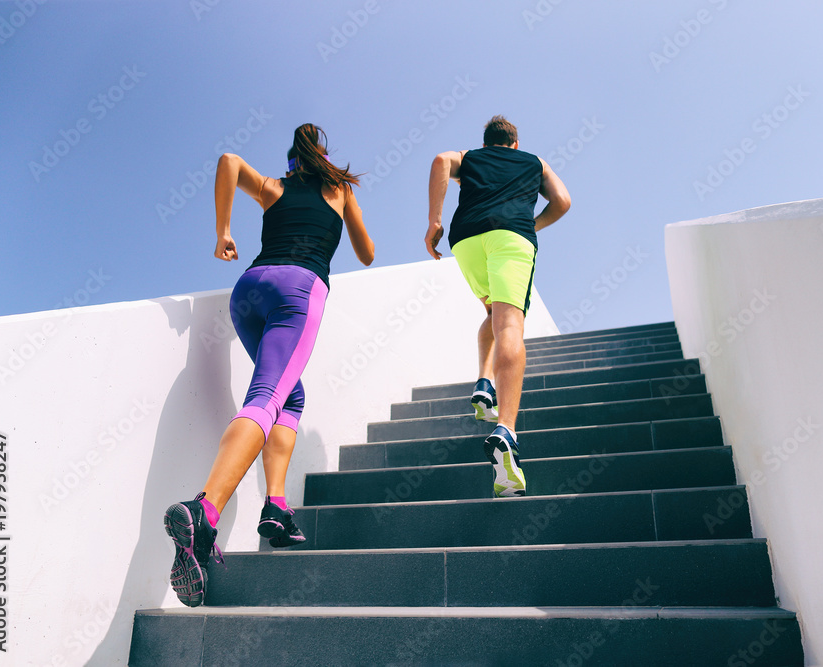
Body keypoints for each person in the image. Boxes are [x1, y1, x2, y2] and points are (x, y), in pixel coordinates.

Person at [163, 123, 374, 607]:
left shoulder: (274, 188)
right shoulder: (338, 189)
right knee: (268, 397)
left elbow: (229, 162)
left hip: (249, 289)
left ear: (291, 163)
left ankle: (276, 506)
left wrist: (223, 232)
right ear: (322, 161)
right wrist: (347, 209)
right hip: (298, 288)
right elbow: (367, 254)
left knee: (290, 395)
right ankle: (204, 510)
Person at [425, 115, 571, 498]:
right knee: (509, 324)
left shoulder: (471, 157)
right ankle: (506, 428)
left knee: (492, 312)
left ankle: (484, 381)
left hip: (467, 239)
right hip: (511, 237)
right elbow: (563, 201)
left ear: (487, 142)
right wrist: (529, 225)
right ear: (515, 143)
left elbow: (441, 160)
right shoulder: (534, 162)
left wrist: (434, 222)